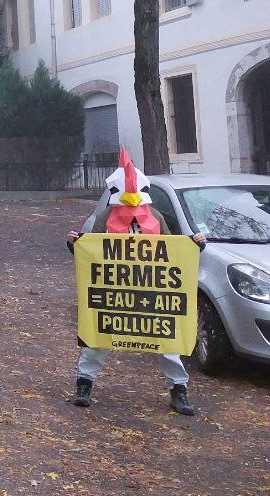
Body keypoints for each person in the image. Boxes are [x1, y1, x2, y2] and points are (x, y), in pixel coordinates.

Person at [66, 147, 206, 416]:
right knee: (98, 339)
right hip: (114, 291)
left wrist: (193, 247)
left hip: (151, 292)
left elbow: (171, 250)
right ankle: (84, 386)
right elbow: (93, 253)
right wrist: (75, 245)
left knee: (168, 343)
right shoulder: (105, 218)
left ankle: (179, 391)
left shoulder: (156, 217)